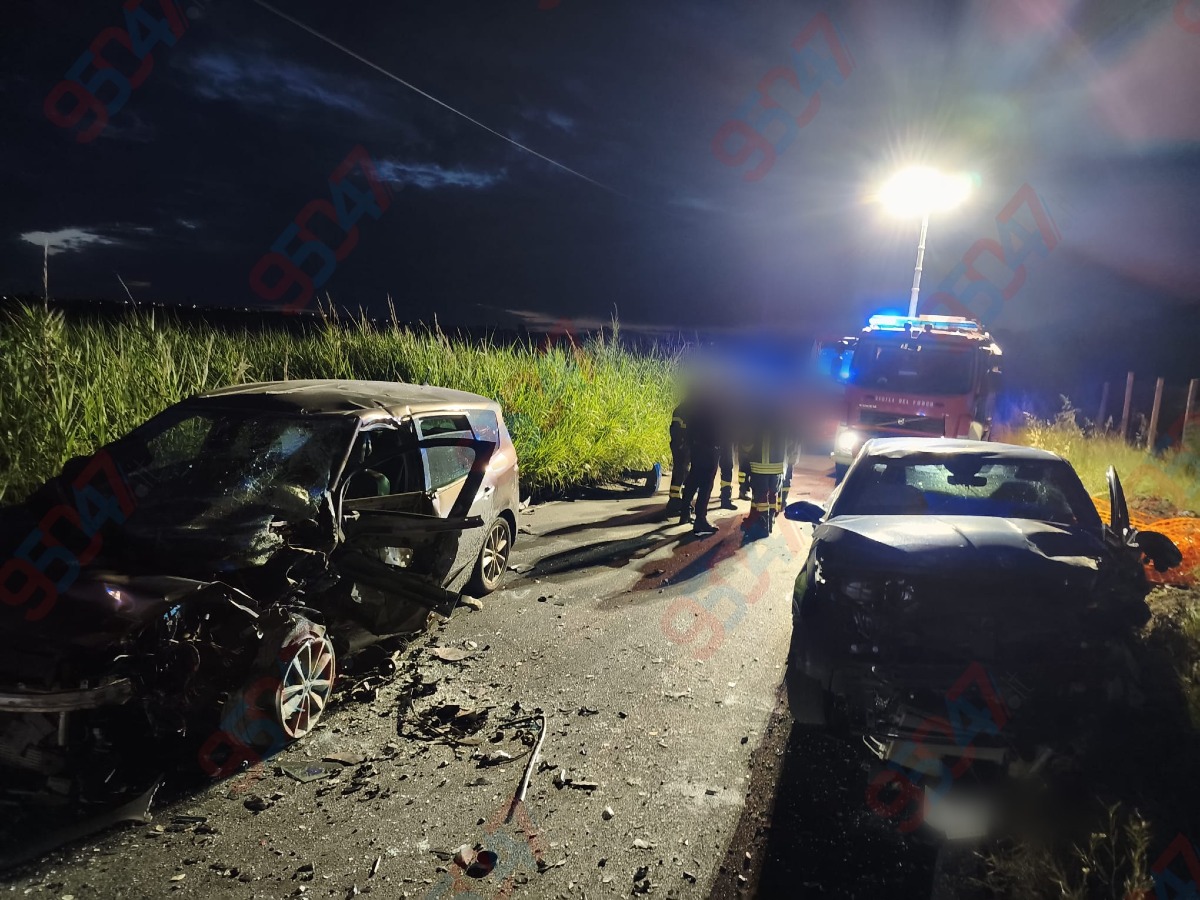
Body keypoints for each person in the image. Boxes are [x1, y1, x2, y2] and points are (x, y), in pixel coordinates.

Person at [679, 401, 720, 536]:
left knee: (694, 477)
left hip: (696, 445)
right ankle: (700, 520)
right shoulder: (715, 400)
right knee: (706, 485)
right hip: (709, 447)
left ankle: (685, 511)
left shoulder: (697, 401)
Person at [665, 400, 691, 519]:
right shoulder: (682, 410)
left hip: (683, 445)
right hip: (680, 445)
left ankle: (677, 500)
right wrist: (681, 444)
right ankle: (674, 501)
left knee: (683, 470)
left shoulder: (685, 409)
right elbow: (676, 430)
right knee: (680, 470)